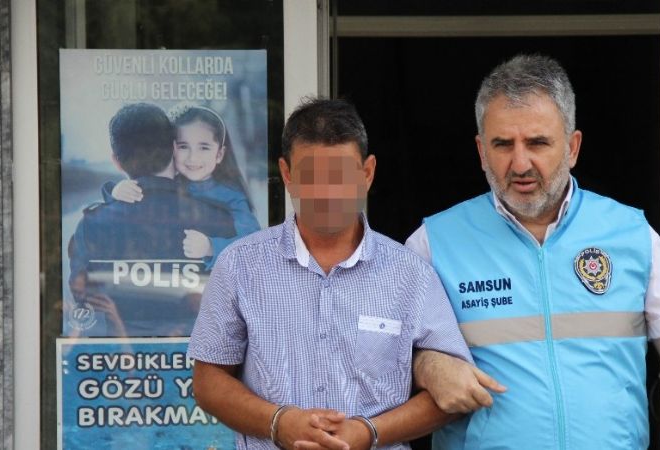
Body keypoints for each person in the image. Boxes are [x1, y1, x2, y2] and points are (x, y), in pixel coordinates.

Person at [406, 54, 660, 449]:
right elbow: (377, 353)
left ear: (573, 147)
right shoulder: (434, 243)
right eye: (502, 144)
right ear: (481, 151)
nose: (520, 163)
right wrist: (426, 366)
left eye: (537, 143)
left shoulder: (628, 232)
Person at [187, 98, 473, 450]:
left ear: (367, 173)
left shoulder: (410, 274)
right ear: (287, 174)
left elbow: (451, 395)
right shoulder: (239, 265)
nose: (326, 193)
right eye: (311, 176)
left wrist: (368, 432)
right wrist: (278, 423)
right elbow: (208, 382)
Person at [68, 102, 238, 337]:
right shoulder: (218, 219)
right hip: (201, 355)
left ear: (116, 161)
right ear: (173, 148)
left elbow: (82, 297)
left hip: (120, 355)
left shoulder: (92, 224)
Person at [105, 104, 261, 268]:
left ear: (219, 154)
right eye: (183, 146)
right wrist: (115, 191)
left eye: (204, 147)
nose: (192, 158)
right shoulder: (169, 183)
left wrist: (211, 247)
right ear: (172, 149)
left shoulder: (232, 197)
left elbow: (254, 247)